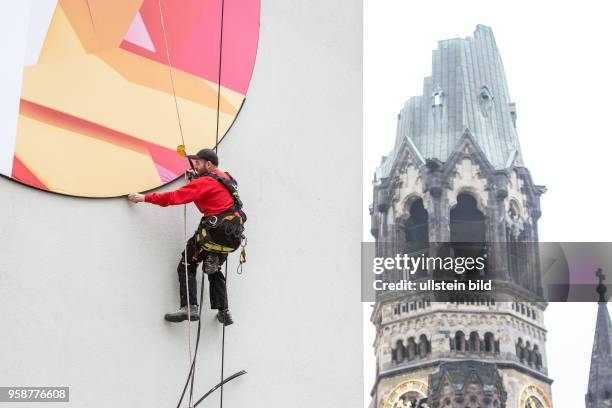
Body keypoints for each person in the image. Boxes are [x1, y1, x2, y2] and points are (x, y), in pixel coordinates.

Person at [128, 148, 240, 325]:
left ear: (208, 164)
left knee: (186, 264)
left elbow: (173, 197)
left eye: (198, 163)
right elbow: (212, 199)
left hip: (212, 233)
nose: (195, 165)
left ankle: (190, 307)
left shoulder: (205, 182)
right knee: (213, 268)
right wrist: (196, 181)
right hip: (231, 236)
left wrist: (143, 198)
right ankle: (224, 311)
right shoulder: (227, 178)